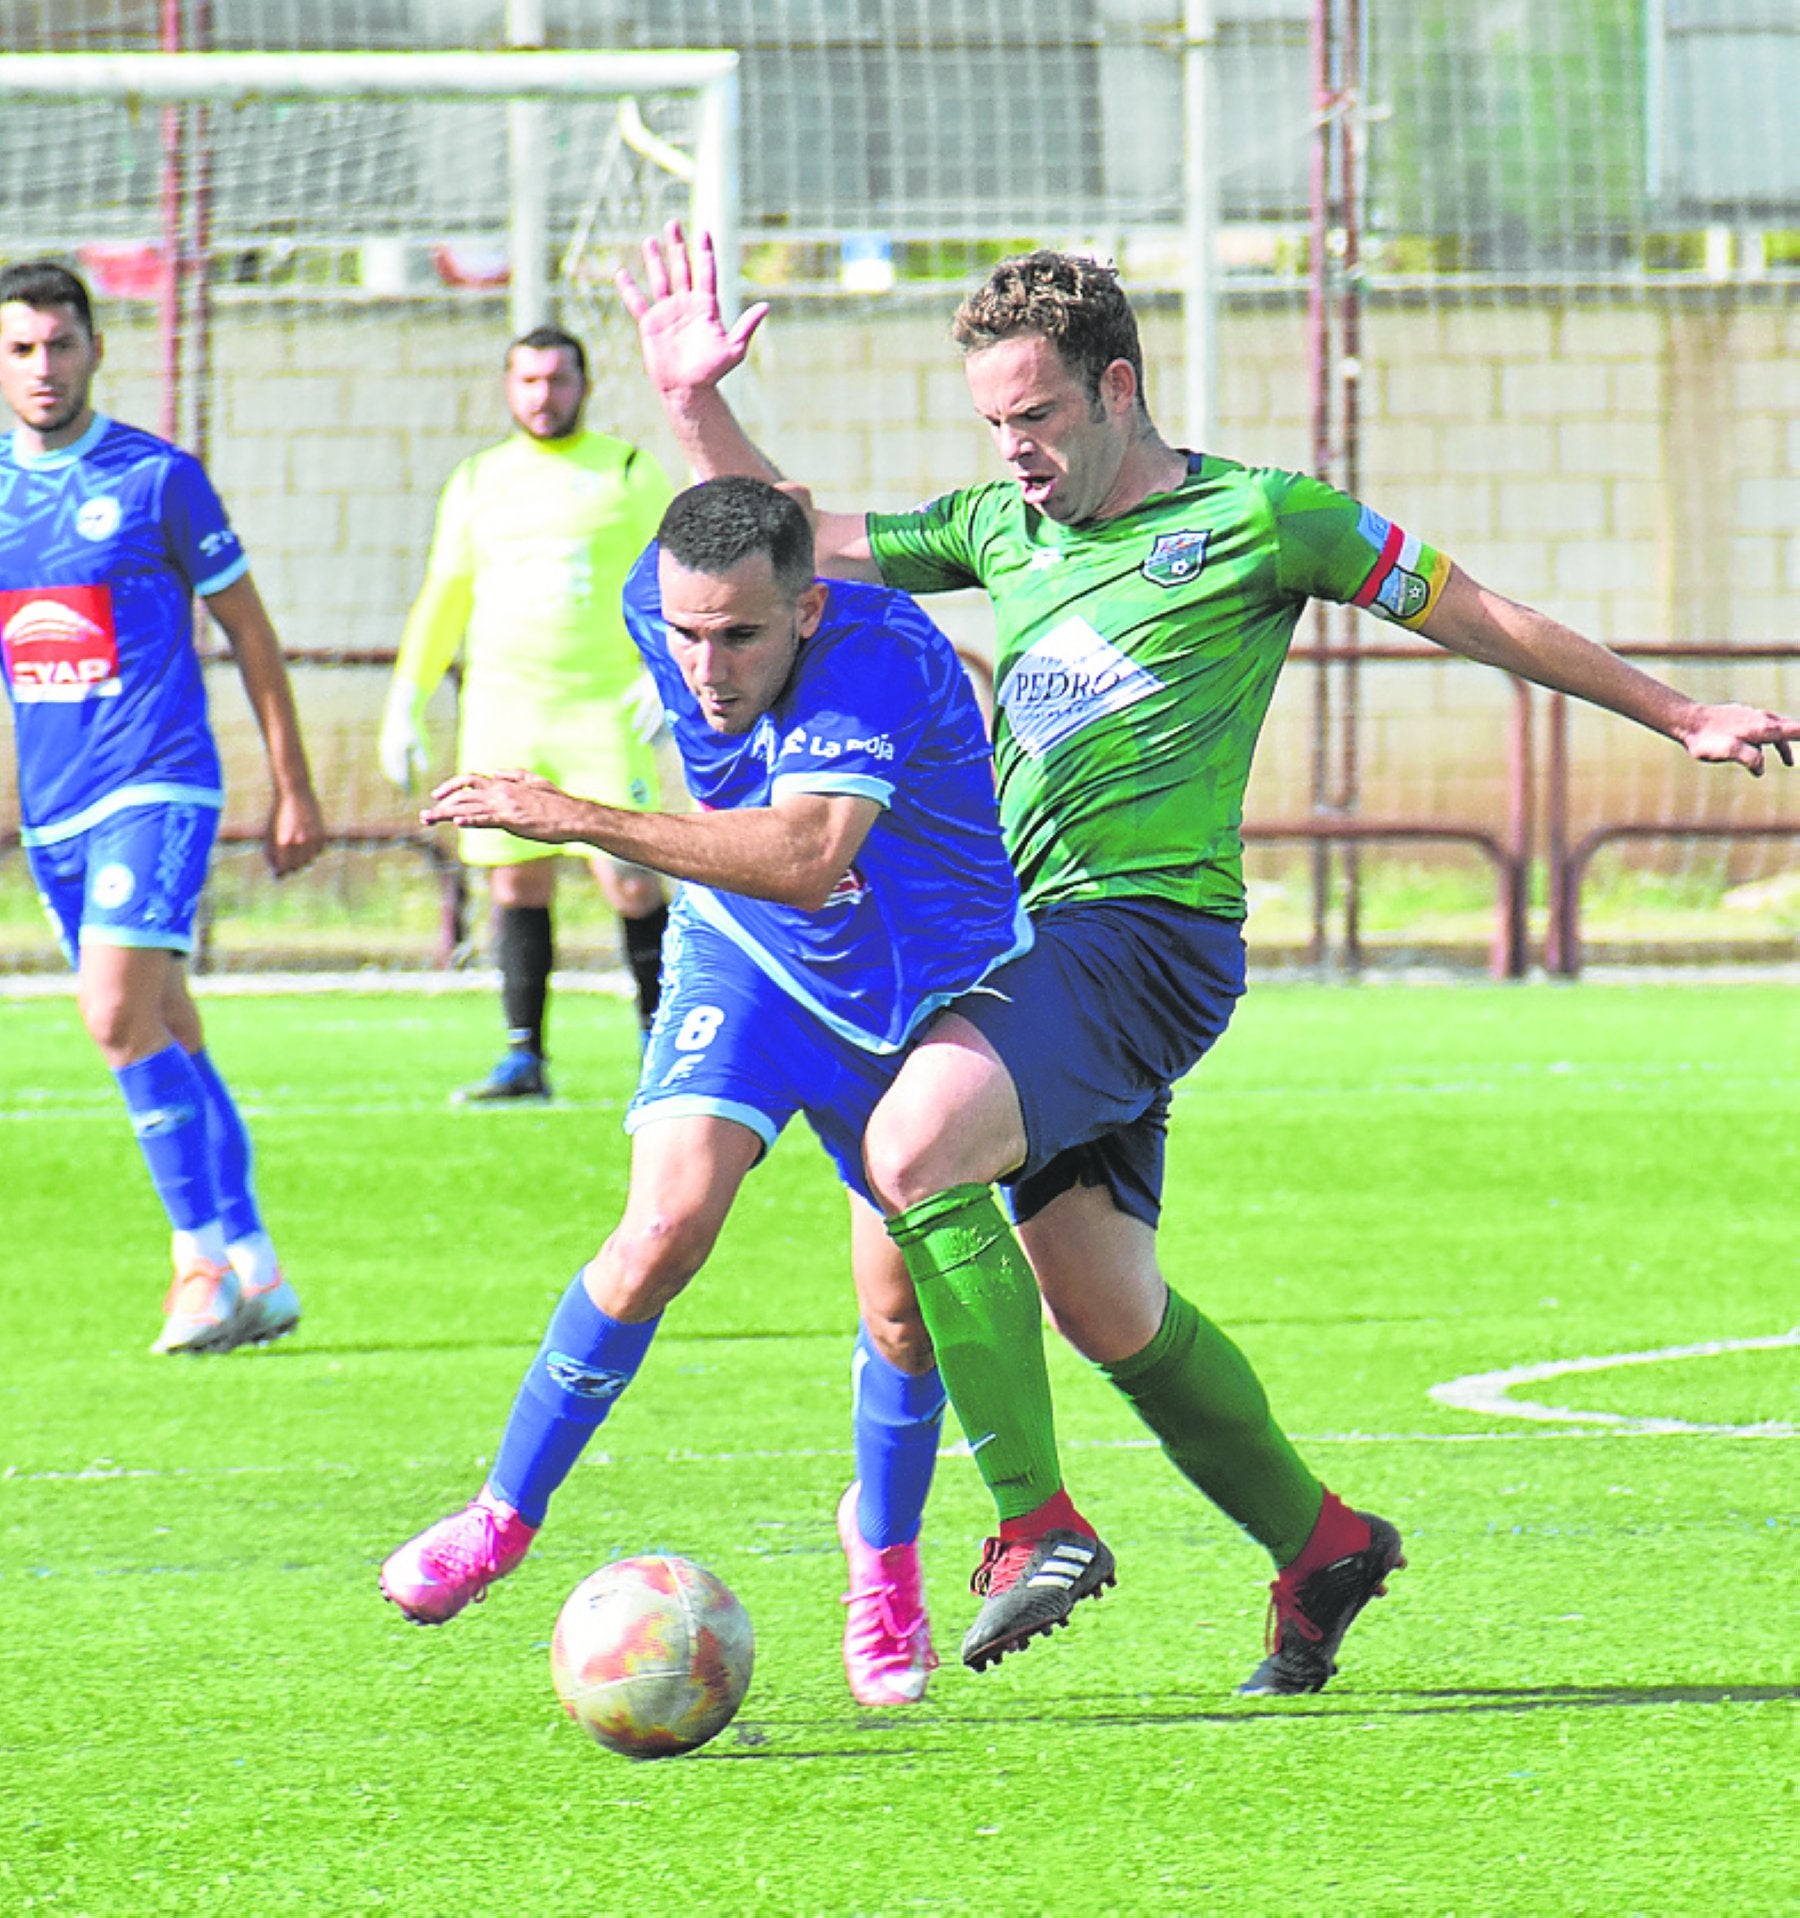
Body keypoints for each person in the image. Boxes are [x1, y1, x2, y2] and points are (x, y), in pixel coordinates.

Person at [618, 223, 1800, 1696]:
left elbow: (1481, 612)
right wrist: (692, 407)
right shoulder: (1003, 529)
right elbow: (797, 548)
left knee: (914, 1142)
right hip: (1034, 951)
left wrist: (1678, 712)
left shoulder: (1264, 519)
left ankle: (1034, 1522)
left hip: (1144, 934)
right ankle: (1324, 1546)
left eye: (1037, 416)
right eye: (994, 423)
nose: (1017, 450)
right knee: (1104, 1306)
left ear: (1118, 384)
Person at [378, 476, 1101, 1706]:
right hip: (750, 968)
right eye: (686, 633)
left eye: (741, 636)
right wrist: (694, 394)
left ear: (810, 611)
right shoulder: (670, 593)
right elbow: (745, 511)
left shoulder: (877, 661)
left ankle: (882, 1556)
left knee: (903, 1317)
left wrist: (581, 817)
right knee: (662, 1226)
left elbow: (809, 858)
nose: (707, 666)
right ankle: (500, 1513)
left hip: (917, 1003)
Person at [0, 260, 326, 1355]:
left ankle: (195, 1264)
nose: (43, 367)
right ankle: (258, 1269)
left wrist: (294, 783)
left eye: (60, 344)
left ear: (97, 349)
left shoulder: (156, 479)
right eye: (22, 348)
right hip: (54, 813)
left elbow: (252, 635)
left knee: (112, 1017)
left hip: (158, 780)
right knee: (167, 1026)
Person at [380, 325, 674, 1101]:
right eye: (531, 381)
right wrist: (405, 698)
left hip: (603, 710)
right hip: (506, 712)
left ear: (585, 385)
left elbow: (677, 582)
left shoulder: (630, 472)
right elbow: (445, 595)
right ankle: (523, 1059)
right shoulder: (479, 481)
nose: (545, 395)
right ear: (509, 389)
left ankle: (665, 1047)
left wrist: (666, 674)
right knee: (515, 883)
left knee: (634, 880)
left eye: (559, 379)